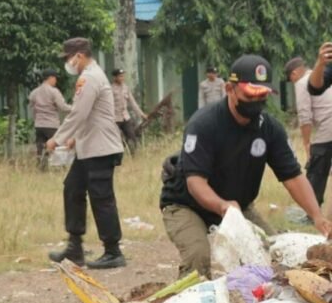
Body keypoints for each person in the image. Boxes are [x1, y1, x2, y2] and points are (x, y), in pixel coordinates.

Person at [160, 54, 332, 278]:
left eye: (262, 94)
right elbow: (195, 183)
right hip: (186, 205)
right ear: (230, 89)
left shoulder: (270, 129)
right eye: (251, 93)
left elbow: (293, 178)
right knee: (199, 257)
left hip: (238, 206)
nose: (256, 101)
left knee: (273, 256)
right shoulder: (204, 124)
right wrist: (223, 207)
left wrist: (317, 216)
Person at [46, 37, 126, 269]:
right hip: (88, 147)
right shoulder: (91, 76)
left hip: (100, 148)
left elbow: (78, 114)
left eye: (69, 58)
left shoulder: (89, 77)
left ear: (79, 56)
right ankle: (75, 247)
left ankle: (113, 251)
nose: (68, 63)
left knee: (102, 198)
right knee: (72, 188)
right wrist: (73, 139)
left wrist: (57, 139)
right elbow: (88, 115)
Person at [285, 56, 332, 209]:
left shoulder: (301, 83)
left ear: (294, 74)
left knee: (315, 166)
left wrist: (306, 144)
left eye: (290, 79)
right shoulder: (321, 74)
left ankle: (312, 211)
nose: (292, 82)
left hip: (328, 123)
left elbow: (305, 117)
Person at [28, 68, 70, 168]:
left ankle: (42, 168)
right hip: (51, 124)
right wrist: (75, 109)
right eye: (55, 78)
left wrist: (36, 120)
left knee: (41, 148)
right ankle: (59, 167)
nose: (56, 80)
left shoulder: (34, 92)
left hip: (39, 125)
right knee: (57, 146)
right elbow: (63, 107)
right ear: (50, 78)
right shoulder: (54, 91)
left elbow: (33, 108)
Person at [111, 68, 147, 154]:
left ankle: (135, 156)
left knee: (132, 137)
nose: (122, 78)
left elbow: (133, 102)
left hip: (125, 117)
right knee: (116, 140)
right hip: (115, 119)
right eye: (120, 76)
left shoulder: (125, 88)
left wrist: (141, 115)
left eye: (123, 76)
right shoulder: (110, 89)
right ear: (115, 77)